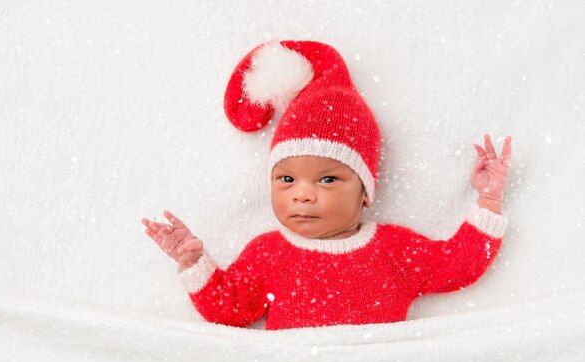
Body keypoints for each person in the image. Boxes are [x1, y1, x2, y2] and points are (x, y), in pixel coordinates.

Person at [141, 40, 512, 330]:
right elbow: (233, 308)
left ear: (365, 192)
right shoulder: (269, 254)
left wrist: (489, 198)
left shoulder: (394, 251)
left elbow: (458, 265)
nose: (302, 193)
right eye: (286, 179)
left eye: (328, 179)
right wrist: (193, 262)